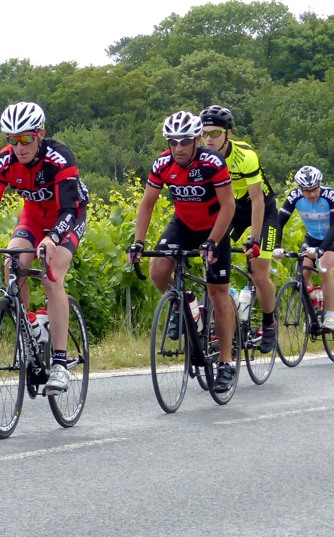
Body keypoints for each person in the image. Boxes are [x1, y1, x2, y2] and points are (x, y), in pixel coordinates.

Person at [0, 102, 89, 394]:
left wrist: (52, 238)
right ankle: (30, 330)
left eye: (26, 138)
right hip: (33, 217)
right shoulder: (4, 162)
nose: (19, 147)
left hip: (68, 218)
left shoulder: (59, 158)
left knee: (51, 277)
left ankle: (60, 363)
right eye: (12, 139)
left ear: (41, 134)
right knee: (11, 263)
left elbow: (68, 209)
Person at [127, 111, 236, 393]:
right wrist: (139, 242)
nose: (178, 147)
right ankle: (183, 301)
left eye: (185, 141)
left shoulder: (212, 162)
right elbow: (147, 204)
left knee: (218, 293)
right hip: (183, 224)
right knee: (158, 270)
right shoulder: (163, 164)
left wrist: (213, 241)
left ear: (197, 140)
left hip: (214, 227)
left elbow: (228, 206)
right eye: (173, 141)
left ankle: (226, 362)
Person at [199, 105, 278, 353]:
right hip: (232, 208)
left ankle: (269, 323)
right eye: (204, 133)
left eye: (215, 133)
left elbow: (257, 200)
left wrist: (254, 238)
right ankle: (220, 316)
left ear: (228, 133)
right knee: (211, 258)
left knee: (258, 272)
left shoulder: (245, 155)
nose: (209, 139)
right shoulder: (202, 157)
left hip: (261, 210)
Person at [274, 166, 334, 332]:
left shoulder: (331, 195)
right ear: (300, 189)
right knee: (303, 274)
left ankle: (330, 316)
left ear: (319, 185)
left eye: (314, 189)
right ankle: (314, 302)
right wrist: (277, 247)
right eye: (307, 191)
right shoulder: (294, 196)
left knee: (324, 269)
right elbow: (279, 222)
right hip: (312, 238)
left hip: (333, 238)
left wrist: (321, 250)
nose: (312, 194)